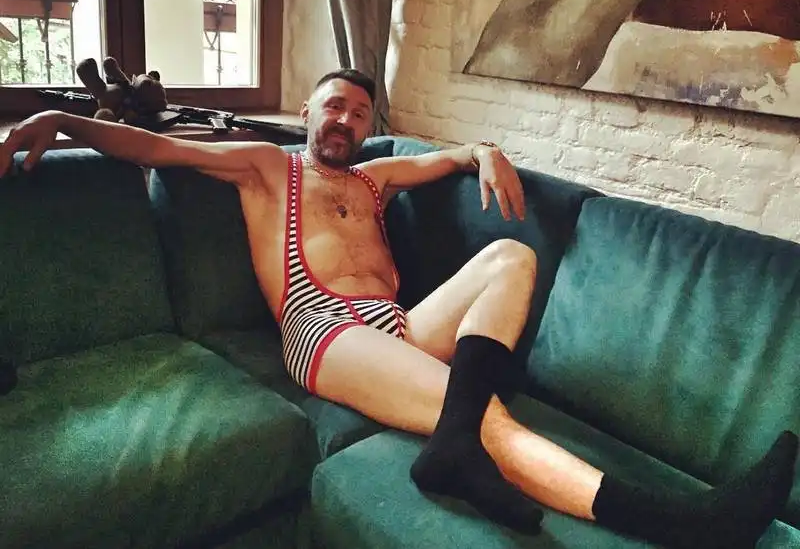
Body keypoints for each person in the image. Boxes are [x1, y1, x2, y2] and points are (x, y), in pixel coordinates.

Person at [0, 68, 796, 548]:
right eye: (331, 106)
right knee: (488, 416)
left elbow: (445, 160)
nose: (343, 120)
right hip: (324, 330)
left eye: (357, 112)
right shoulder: (266, 167)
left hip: (400, 325)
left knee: (513, 256)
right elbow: (160, 148)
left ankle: (449, 442)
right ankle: (681, 523)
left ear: (368, 128)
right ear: (306, 114)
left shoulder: (374, 178)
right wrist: (65, 120)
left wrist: (483, 150)